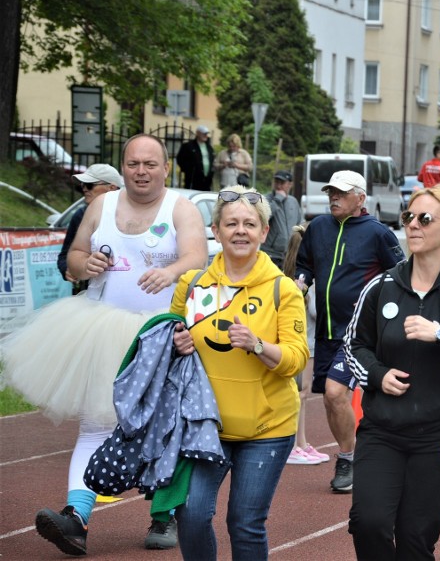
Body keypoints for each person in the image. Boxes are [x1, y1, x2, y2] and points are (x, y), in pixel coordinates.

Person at [3, 133, 208, 555]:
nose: (141, 171)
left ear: (165, 168)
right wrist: (86, 263)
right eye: (133, 163)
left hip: (158, 334)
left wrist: (171, 273)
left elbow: (198, 256)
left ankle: (164, 517)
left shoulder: (180, 208)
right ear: (124, 167)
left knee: (162, 427)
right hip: (99, 329)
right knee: (95, 424)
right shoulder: (102, 205)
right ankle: (75, 519)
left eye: (150, 164)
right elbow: (73, 258)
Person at [345, 185, 440, 561]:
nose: (413, 225)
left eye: (425, 218)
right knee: (369, 523)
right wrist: (377, 375)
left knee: (414, 539)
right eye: (408, 218)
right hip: (383, 430)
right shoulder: (381, 287)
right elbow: (353, 346)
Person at [168, 184, 309, 559]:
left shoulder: (283, 290)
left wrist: (258, 346)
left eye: (250, 223)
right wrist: (175, 346)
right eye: (231, 223)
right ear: (216, 230)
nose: (240, 231)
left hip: (267, 427)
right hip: (205, 425)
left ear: (264, 232)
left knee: (244, 523)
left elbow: (297, 359)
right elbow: (167, 345)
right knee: (191, 514)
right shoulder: (192, 285)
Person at [295, 170, 405, 494]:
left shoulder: (378, 233)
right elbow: (305, 265)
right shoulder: (317, 228)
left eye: (341, 193)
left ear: (360, 198)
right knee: (331, 401)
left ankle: (347, 458)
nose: (333, 198)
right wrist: (300, 283)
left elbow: (400, 276)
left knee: (334, 393)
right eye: (331, 192)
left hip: (358, 332)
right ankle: (354, 454)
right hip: (326, 329)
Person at [282, 223, 330, 466]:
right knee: (301, 393)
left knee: (301, 394)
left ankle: (300, 442)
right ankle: (294, 444)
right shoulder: (303, 281)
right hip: (306, 343)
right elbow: (315, 312)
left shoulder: (289, 277)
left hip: (300, 342)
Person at [57, 164, 123, 286]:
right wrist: (68, 269)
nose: (84, 189)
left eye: (90, 185)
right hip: (89, 295)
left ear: (112, 188)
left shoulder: (131, 213)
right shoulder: (80, 215)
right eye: (82, 185)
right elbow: (64, 256)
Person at [260, 170, 302, 268]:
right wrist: (278, 199)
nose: (278, 186)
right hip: (271, 253)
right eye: (276, 182)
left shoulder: (293, 201)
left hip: (289, 254)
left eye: (282, 183)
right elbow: (264, 216)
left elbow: (299, 222)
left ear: (290, 184)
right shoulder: (266, 199)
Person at [176, 125, 215, 191]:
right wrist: (188, 170)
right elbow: (180, 159)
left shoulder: (209, 147)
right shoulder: (188, 146)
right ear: (197, 133)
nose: (206, 136)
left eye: (207, 134)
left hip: (207, 180)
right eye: (204, 134)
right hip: (193, 179)